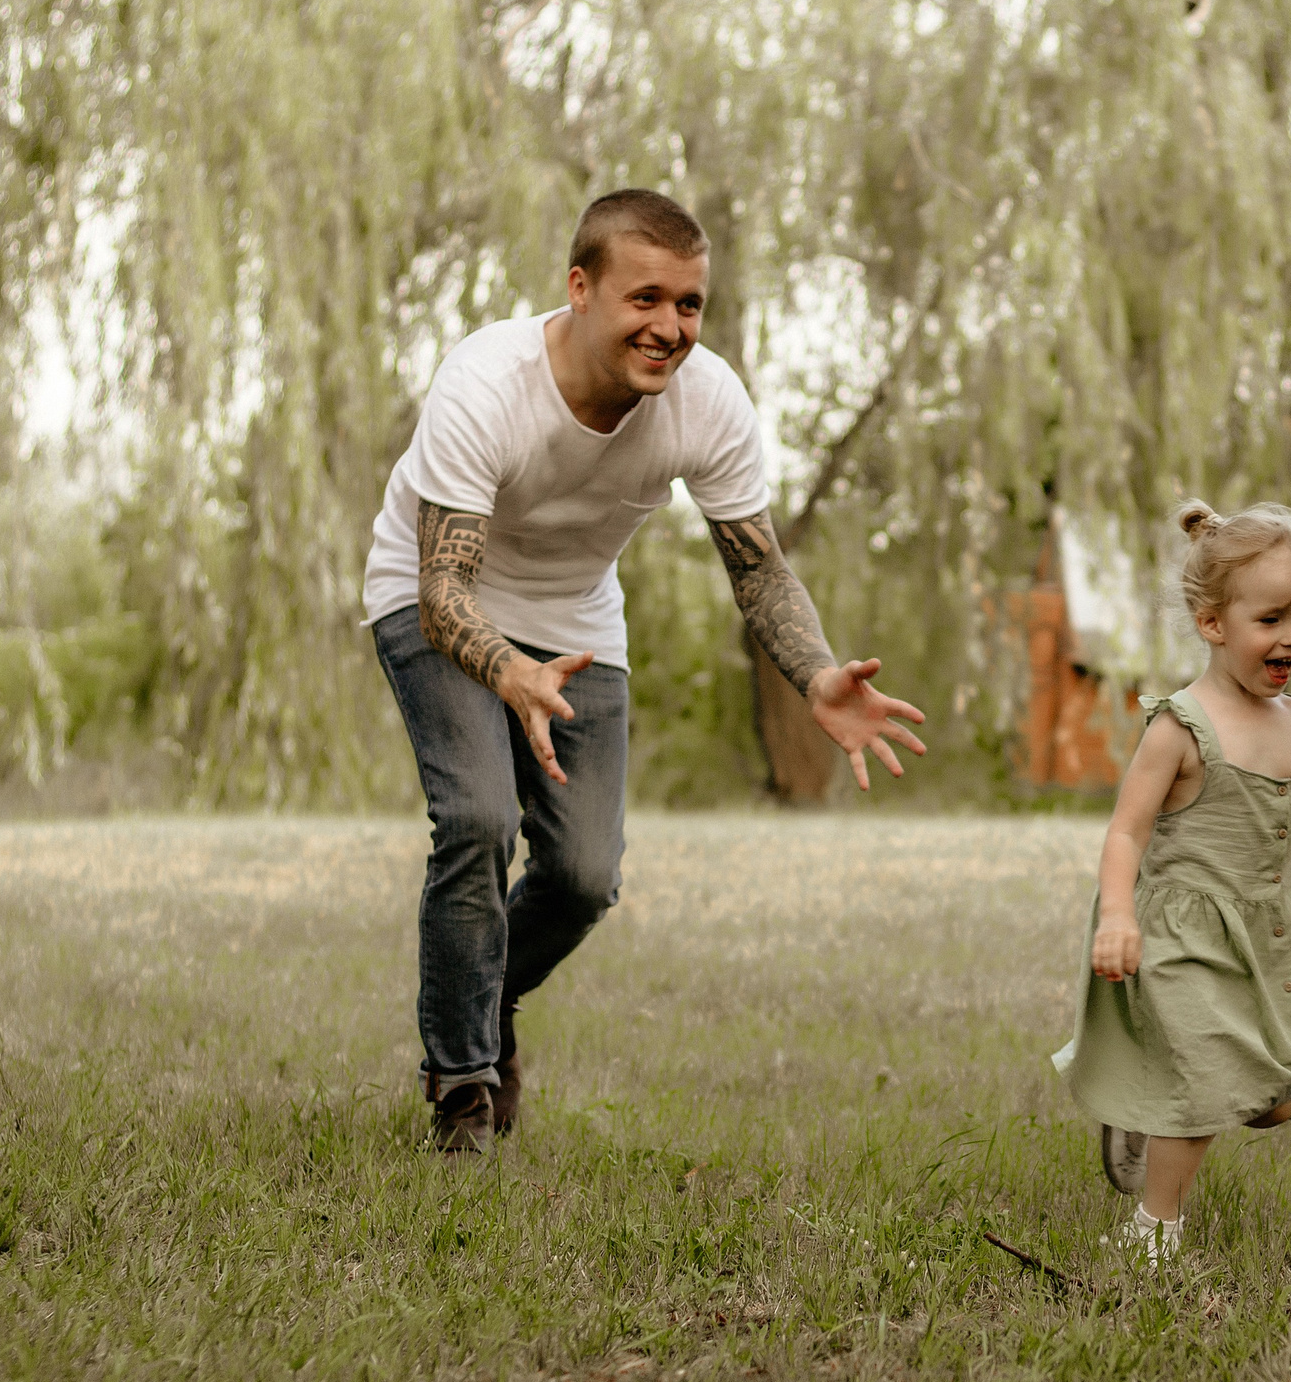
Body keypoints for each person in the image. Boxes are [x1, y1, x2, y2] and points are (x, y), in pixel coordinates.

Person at [363, 189, 927, 1155]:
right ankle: (461, 1088)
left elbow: (758, 568)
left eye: (690, 304)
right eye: (646, 300)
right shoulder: (486, 382)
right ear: (580, 289)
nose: (670, 328)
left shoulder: (709, 400)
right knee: (478, 819)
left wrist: (818, 675)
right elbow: (444, 587)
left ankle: (477, 1002)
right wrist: (510, 673)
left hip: (578, 617)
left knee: (585, 875)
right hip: (437, 600)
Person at [1052, 501, 1291, 1259]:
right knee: (1199, 1090)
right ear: (1213, 623)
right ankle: (1152, 1236)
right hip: (1180, 933)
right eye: (1271, 618)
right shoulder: (1180, 727)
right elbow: (1126, 829)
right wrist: (1118, 915)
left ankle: (1145, 1105)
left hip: (1260, 936)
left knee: (1273, 1099)